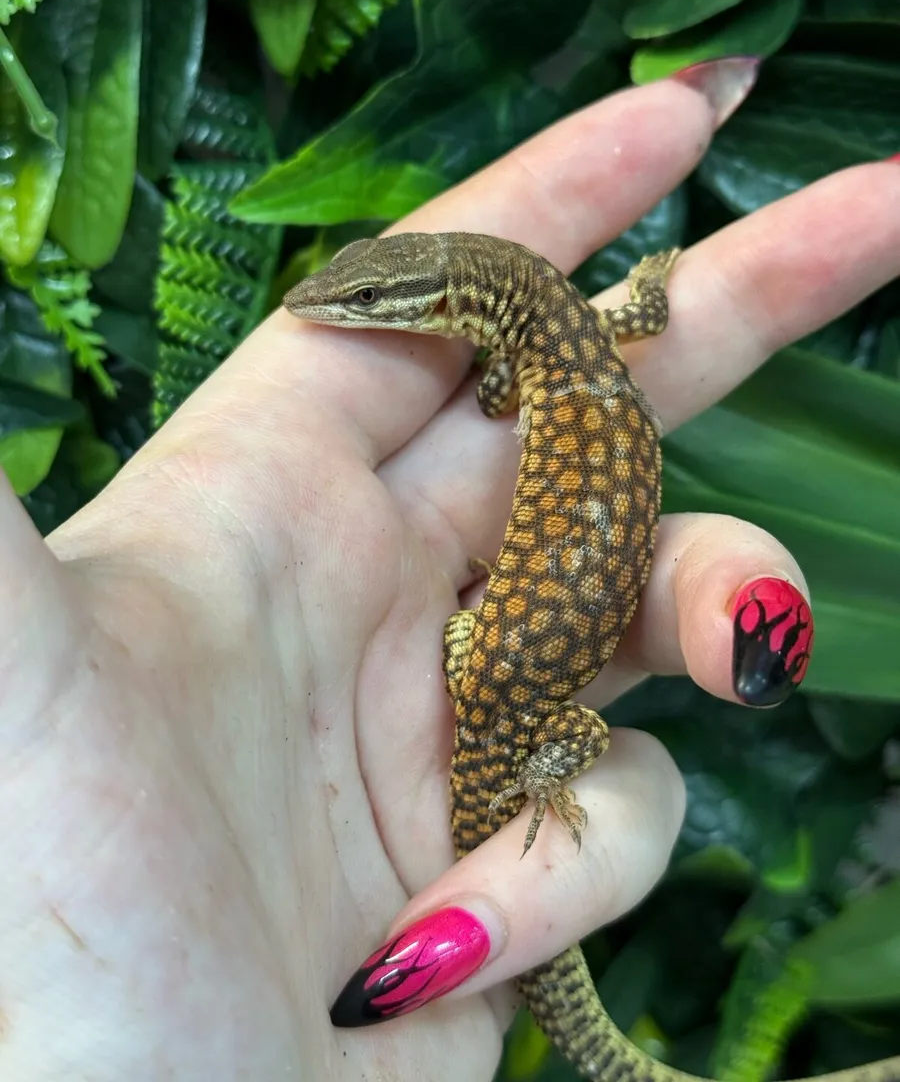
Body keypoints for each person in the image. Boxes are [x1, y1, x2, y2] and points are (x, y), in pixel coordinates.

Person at [1, 58, 898, 1081]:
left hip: (496, 684)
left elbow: (490, 403)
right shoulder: (584, 346)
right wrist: (646, 285)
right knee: (546, 716)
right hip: (494, 684)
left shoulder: (530, 370)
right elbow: (623, 326)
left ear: (463, 307)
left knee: (559, 723)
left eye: (380, 298)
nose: (339, 305)